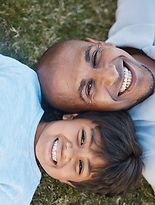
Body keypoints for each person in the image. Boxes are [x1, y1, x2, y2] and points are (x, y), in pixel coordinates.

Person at [0, 51, 143, 205]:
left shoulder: (17, 191)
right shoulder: (23, 82)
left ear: (69, 182)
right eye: (82, 138)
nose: (69, 152)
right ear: (72, 116)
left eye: (80, 166)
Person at [36, 0, 155, 193]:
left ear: (98, 43)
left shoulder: (138, 11)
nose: (111, 75)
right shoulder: (151, 149)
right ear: (90, 113)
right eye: (89, 88)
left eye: (94, 58)